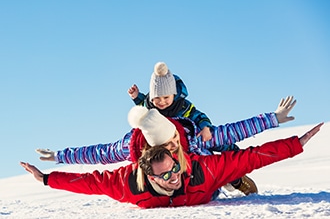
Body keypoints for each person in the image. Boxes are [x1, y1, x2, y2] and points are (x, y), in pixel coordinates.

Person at [21, 122, 323, 208]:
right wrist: (47, 178)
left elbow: (253, 156)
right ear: (148, 173)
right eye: (165, 175)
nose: (174, 176)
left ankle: (232, 182)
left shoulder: (197, 167)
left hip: (209, 186)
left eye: (175, 168)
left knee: (231, 162)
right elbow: (91, 180)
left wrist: (296, 143)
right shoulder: (128, 184)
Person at [36, 97, 296, 196]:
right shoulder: (131, 147)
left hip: (203, 170)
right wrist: (60, 156)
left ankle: (233, 180)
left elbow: (234, 129)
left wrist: (273, 119)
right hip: (168, 179)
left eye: (174, 138)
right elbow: (97, 153)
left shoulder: (190, 133)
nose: (175, 144)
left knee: (225, 146)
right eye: (168, 144)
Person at [128, 62, 213, 142]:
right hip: (165, 143)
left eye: (166, 97)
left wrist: (205, 127)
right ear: (151, 97)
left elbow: (199, 116)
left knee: (211, 140)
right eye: (157, 97)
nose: (162, 101)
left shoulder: (183, 107)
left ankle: (225, 146)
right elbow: (142, 106)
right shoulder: (149, 107)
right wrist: (136, 96)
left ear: (174, 95)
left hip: (185, 139)